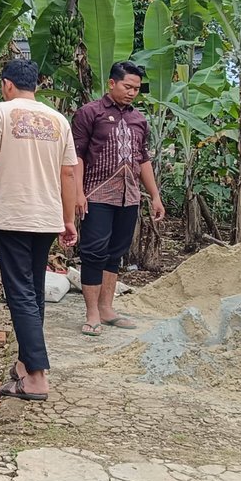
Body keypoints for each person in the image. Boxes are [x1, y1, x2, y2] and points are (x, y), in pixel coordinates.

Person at [0, 59, 79, 402]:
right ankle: (24, 364)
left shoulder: (1, 112)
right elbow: (69, 174)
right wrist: (69, 218)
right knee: (32, 290)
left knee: (19, 293)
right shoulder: (58, 120)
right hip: (46, 218)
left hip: (14, 215)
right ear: (36, 87)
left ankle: (37, 378)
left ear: (7, 84)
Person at [70, 61, 166, 337]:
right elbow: (76, 155)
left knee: (116, 253)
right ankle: (91, 313)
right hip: (97, 194)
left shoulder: (139, 119)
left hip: (129, 197)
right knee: (93, 252)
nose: (132, 92)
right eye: (128, 86)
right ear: (112, 83)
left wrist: (155, 196)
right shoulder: (90, 113)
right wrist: (78, 193)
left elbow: (143, 159)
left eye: (137, 88)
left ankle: (107, 308)